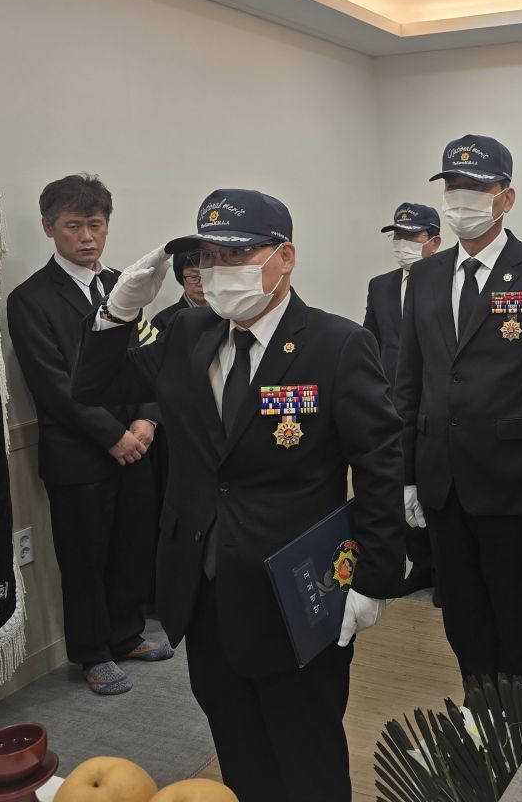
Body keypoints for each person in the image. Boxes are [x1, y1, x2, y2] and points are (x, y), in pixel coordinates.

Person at [70, 189, 405, 802]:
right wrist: (116, 313)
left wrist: (374, 578)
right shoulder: (186, 332)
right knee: (238, 745)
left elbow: (379, 466)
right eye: (207, 256)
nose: (217, 270)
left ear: (285, 257)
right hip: (202, 585)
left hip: (297, 590)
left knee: (307, 753)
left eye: (236, 254)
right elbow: (91, 387)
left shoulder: (336, 344)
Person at [394, 134, 522, 684]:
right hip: (442, 478)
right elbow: (409, 382)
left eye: (476, 189)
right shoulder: (425, 275)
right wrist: (406, 476)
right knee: (461, 614)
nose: (463, 201)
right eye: (454, 187)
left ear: (506, 197)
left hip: (512, 480)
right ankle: (478, 709)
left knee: (514, 614)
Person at [7, 174, 169, 697]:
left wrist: (146, 420)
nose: (86, 237)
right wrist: (113, 435)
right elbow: (53, 385)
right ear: (48, 227)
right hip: (79, 452)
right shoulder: (30, 298)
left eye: (95, 225)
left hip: (136, 443)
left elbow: (147, 356)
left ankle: (127, 635)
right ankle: (93, 652)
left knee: (132, 545)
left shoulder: (124, 284)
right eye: (73, 226)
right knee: (84, 557)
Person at [364, 202, 443, 598]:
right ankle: (421, 564)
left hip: (435, 403)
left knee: (435, 488)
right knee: (400, 486)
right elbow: (370, 340)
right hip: (392, 404)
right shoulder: (380, 285)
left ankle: (446, 570)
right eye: (397, 236)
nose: (402, 243)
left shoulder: (446, 281)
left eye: (411, 236)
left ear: (434, 241)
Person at [151, 250, 206, 331]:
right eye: (193, 277)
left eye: (207, 276)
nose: (201, 284)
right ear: (181, 277)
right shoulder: (163, 321)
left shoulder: (224, 314)